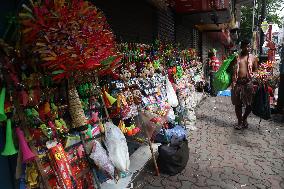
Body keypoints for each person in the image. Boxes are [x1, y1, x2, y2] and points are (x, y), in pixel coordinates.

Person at [231, 40, 258, 129]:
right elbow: (230, 68)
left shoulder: (253, 58)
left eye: (249, 46)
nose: (248, 48)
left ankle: (244, 118)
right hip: (238, 83)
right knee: (237, 104)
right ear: (241, 47)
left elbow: (255, 70)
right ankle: (239, 122)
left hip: (248, 83)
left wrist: (255, 77)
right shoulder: (236, 57)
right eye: (246, 46)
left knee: (250, 104)